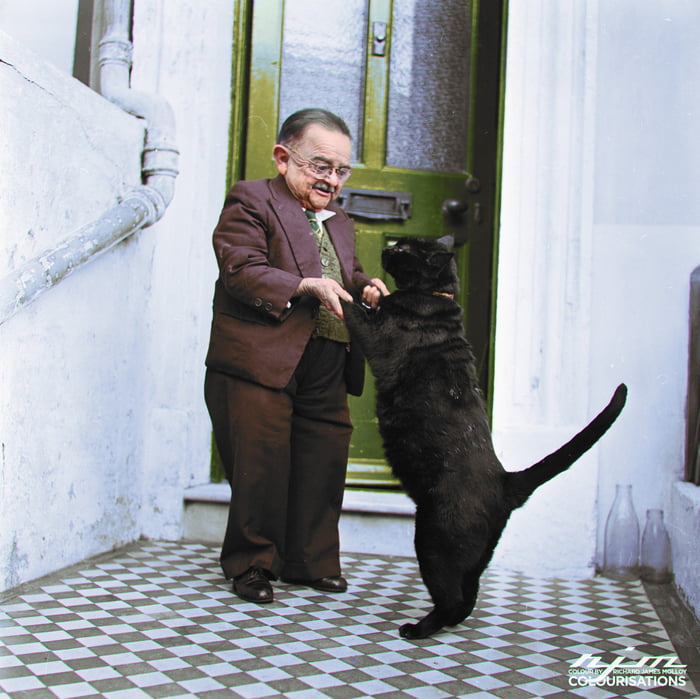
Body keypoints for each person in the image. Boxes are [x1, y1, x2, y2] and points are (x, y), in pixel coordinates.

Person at [204, 108, 389, 604]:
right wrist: (302, 285)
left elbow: (344, 272)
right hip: (261, 357)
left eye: (341, 170)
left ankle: (310, 562)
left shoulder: (340, 222)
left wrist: (366, 286)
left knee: (321, 460)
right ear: (283, 157)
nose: (331, 179)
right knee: (260, 462)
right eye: (319, 166)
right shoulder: (252, 199)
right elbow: (240, 268)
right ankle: (253, 564)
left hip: (327, 355)